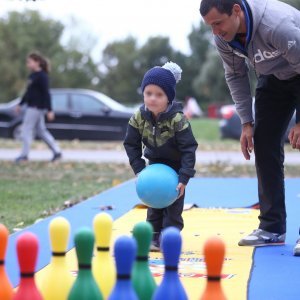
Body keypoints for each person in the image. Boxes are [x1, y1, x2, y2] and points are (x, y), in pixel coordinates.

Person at [200, 0, 300, 254]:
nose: (216, 32)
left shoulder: (276, 25)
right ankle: (272, 228)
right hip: (274, 78)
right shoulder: (224, 38)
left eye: (218, 23)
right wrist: (246, 123)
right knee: (264, 143)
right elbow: (235, 76)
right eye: (210, 26)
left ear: (236, 10)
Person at [123, 62, 198, 251]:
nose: (153, 99)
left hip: (176, 166)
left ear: (168, 97)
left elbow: (189, 147)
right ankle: (152, 237)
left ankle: (170, 237)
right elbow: (130, 143)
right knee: (154, 202)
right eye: (148, 93)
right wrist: (139, 169)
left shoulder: (178, 119)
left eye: (159, 94)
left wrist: (184, 177)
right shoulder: (139, 117)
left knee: (173, 206)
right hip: (155, 164)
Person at [15, 52, 62, 163]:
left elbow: (46, 94)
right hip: (31, 106)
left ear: (37, 62)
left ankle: (24, 155)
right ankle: (57, 152)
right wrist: (20, 104)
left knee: (26, 130)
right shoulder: (32, 76)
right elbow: (28, 92)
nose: (28, 64)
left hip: (36, 108)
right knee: (41, 131)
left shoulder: (42, 76)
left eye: (29, 62)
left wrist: (50, 110)